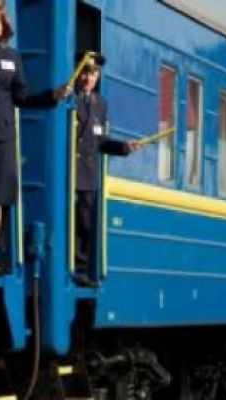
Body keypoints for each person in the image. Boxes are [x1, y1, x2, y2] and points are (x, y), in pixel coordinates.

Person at [0, 1, 70, 274]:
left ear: (2, 29)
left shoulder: (12, 57)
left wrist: (52, 95)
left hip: (2, 138)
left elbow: (21, 97)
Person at [73, 56, 140, 287]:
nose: (87, 78)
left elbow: (100, 141)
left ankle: (81, 269)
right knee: (69, 221)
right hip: (70, 170)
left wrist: (123, 147)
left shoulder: (100, 104)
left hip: (88, 173)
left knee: (85, 223)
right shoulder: (69, 97)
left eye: (92, 74)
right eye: (84, 72)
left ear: (98, 76)